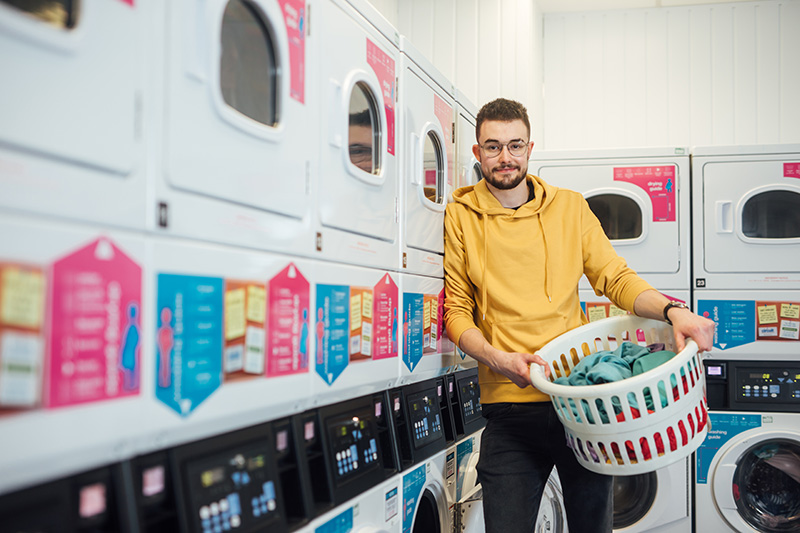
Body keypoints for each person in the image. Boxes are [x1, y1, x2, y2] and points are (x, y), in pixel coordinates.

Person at [443, 98, 715, 533]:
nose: (505, 157)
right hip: (509, 405)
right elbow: (456, 312)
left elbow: (616, 279)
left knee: (593, 527)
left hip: (580, 401)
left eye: (515, 145)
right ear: (477, 153)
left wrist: (672, 310)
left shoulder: (569, 208)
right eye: (493, 147)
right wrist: (497, 359)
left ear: (531, 148)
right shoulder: (460, 215)